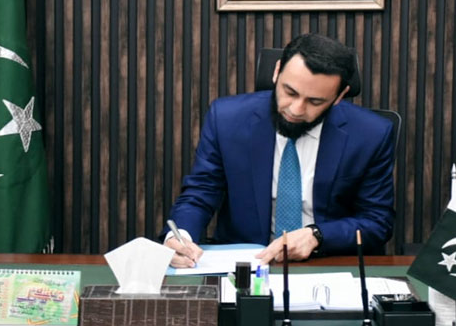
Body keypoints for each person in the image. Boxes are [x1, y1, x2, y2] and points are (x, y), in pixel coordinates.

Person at [162, 34, 395, 267]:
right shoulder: (226, 119)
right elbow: (200, 193)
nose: (296, 109)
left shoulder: (371, 134)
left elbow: (377, 221)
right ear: (276, 72)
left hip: (329, 262)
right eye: (290, 92)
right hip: (245, 264)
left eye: (315, 102)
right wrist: (179, 236)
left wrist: (317, 236)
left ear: (339, 96)